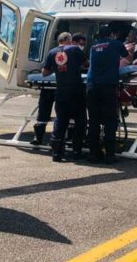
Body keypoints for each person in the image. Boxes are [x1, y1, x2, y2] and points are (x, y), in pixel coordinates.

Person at [86, 24, 131, 163]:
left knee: (93, 121)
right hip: (108, 86)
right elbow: (127, 56)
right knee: (110, 121)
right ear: (111, 34)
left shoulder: (93, 47)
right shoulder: (116, 43)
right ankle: (110, 155)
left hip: (92, 86)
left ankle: (94, 154)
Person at [42, 32, 86, 162]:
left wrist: (58, 67)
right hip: (76, 91)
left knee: (60, 122)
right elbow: (86, 64)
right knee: (80, 121)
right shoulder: (74, 49)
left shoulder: (52, 52)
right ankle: (77, 152)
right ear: (69, 40)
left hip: (61, 92)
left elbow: (44, 73)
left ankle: (56, 153)